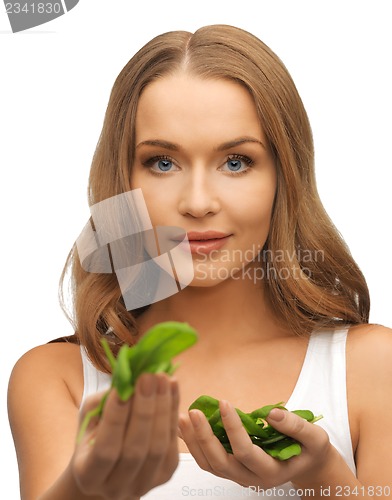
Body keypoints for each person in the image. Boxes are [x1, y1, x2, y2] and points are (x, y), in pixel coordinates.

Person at [7, 24, 392, 500]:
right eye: (163, 163)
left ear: (283, 176)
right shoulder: (56, 377)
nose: (197, 202)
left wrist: (321, 475)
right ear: (122, 181)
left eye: (235, 162)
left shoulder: (373, 366)